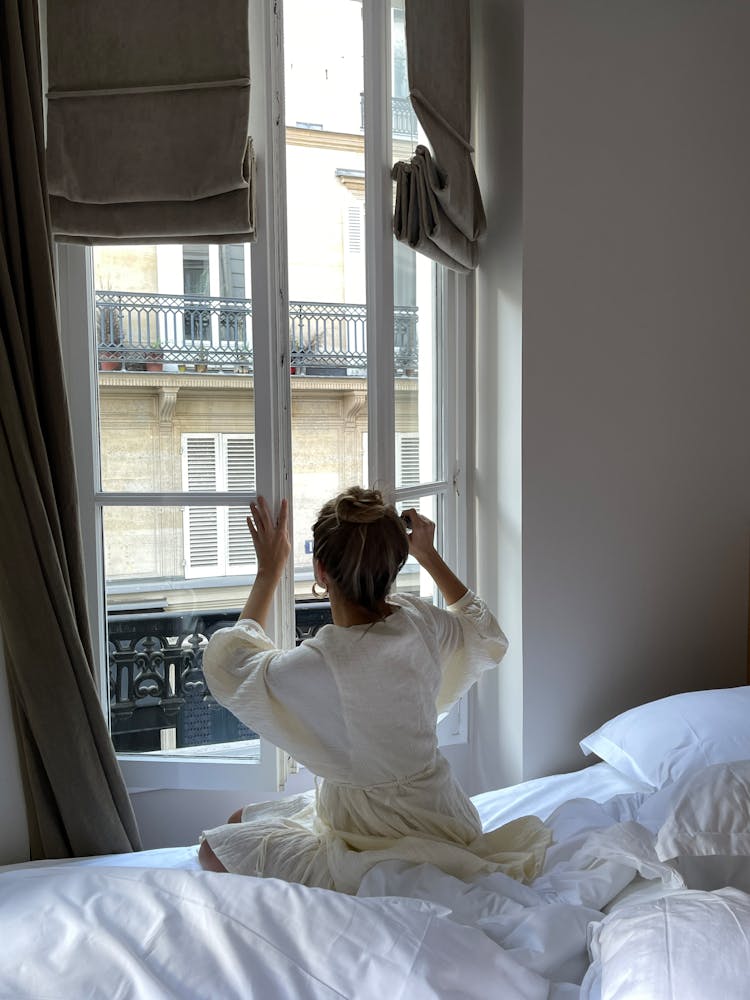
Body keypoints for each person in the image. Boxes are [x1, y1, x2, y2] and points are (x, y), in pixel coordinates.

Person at [198, 487, 550, 893]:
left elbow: (232, 664)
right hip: (445, 815)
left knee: (214, 846)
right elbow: (484, 631)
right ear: (394, 565)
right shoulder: (420, 620)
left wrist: (269, 571)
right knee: (241, 820)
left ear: (320, 572)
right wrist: (429, 554)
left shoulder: (320, 662)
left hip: (370, 832)